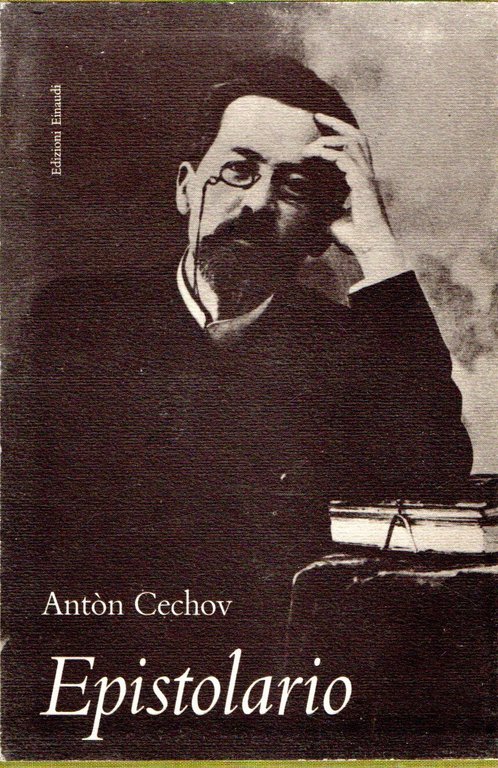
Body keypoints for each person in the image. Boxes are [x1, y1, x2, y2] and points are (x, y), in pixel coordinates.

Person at [4, 57, 473, 754]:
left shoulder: (347, 350)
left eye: (295, 188)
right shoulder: (77, 319)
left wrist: (376, 242)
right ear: (185, 187)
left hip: (277, 707)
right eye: (237, 170)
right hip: (92, 700)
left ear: (323, 230)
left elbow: (435, 474)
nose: (256, 204)